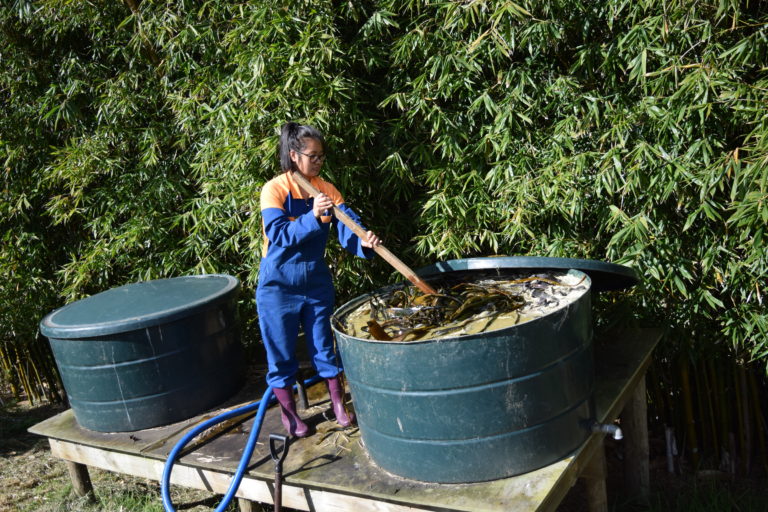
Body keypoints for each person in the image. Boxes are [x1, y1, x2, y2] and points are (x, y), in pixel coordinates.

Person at [256, 122, 381, 437]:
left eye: (322, 156)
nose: (319, 162)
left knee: (325, 348)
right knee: (281, 353)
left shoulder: (327, 190)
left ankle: (338, 404)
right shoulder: (275, 189)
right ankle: (290, 417)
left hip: (315, 282)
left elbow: (348, 225)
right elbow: (280, 234)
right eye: (313, 156)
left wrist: (363, 241)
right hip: (278, 285)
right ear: (294, 155)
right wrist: (312, 215)